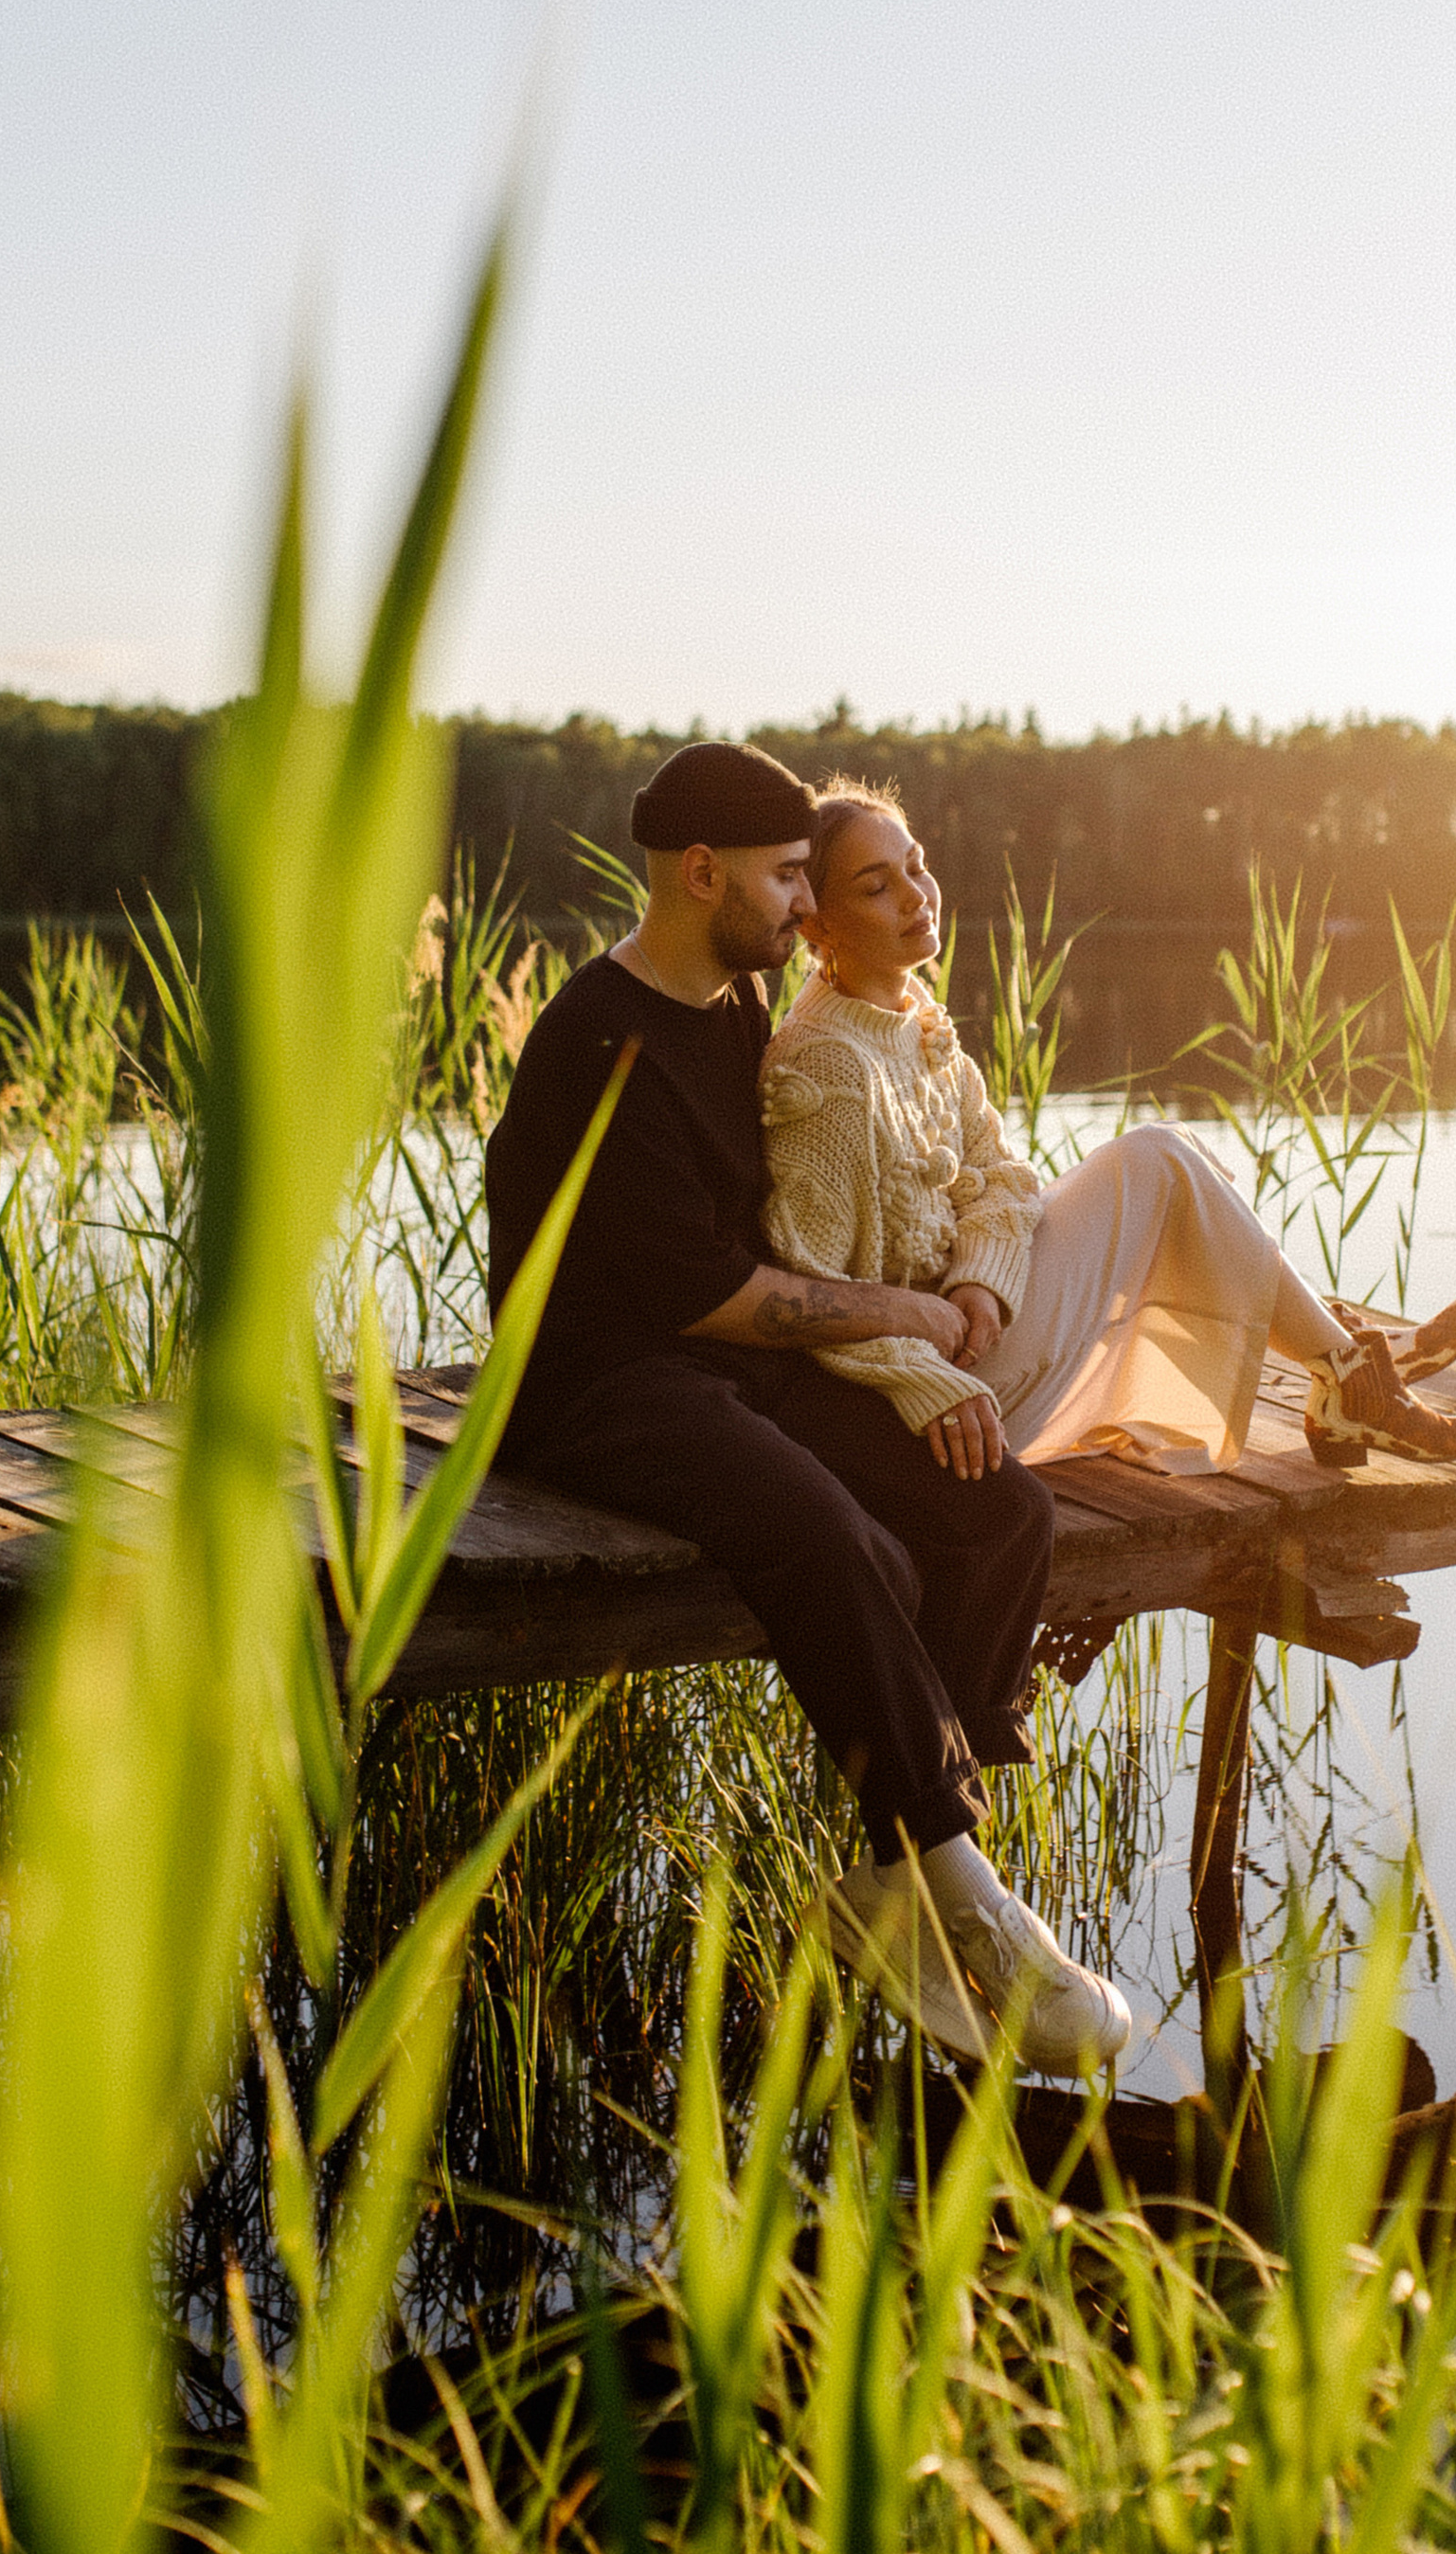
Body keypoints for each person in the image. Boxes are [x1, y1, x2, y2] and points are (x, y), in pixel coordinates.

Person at [482, 738, 1131, 2075]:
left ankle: (905, 1874)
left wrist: (937, 1365)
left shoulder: (726, 1009)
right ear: (702, 872)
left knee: (997, 1509)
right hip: (597, 1385)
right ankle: (947, 1881)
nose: (803, 906)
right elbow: (717, 1294)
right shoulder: (598, 1042)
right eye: (788, 879)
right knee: (836, 1539)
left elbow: (787, 1251)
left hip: (723, 1362)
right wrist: (920, 1326)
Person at [759, 783, 1456, 1493]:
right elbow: (813, 1292)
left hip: (975, 1324)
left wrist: (983, 1279)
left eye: (916, 866)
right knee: (1159, 1161)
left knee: (1175, 1156)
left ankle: (1346, 1366)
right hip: (946, 1398)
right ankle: (1349, 1372)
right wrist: (928, 1383)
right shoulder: (828, 1065)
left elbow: (1001, 1174)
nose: (917, 895)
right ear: (817, 922)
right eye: (876, 886)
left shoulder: (910, 1013)